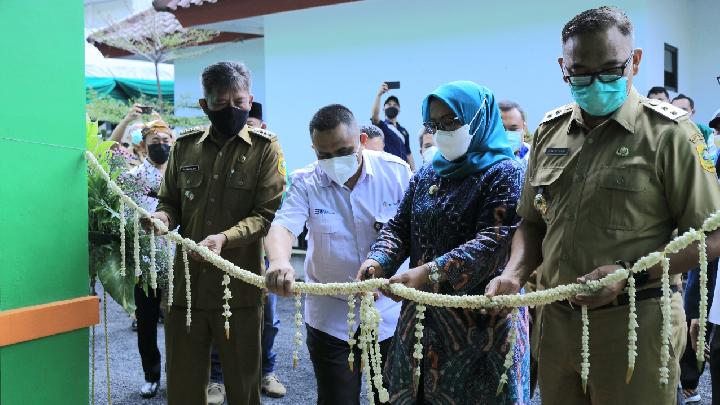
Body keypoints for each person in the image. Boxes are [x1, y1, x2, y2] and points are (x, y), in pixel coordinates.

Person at [485, 7, 720, 404]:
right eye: (580, 72)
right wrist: (514, 272)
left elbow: (711, 237)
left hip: (634, 325)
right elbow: (531, 222)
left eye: (611, 69)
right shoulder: (549, 131)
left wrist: (630, 275)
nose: (596, 82)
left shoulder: (671, 134)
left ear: (636, 61)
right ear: (563, 66)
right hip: (556, 324)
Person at [359, 81, 529, 404]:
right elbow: (399, 227)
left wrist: (428, 273)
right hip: (422, 325)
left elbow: (494, 242)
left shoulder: (505, 172)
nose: (442, 132)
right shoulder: (428, 173)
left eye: (451, 122)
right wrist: (378, 260)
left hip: (483, 329)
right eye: (434, 125)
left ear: (478, 119)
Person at [151, 61, 286, 405]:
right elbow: (170, 203)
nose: (231, 110)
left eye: (239, 103)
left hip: (238, 290)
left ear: (250, 99)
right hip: (187, 289)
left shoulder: (265, 148)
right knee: (182, 384)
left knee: (243, 387)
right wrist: (162, 219)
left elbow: (265, 214)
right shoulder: (185, 147)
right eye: (220, 103)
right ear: (204, 105)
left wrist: (224, 238)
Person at [264, 104, 410, 405]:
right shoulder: (306, 181)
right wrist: (279, 262)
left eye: (343, 151)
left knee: (395, 398)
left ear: (362, 141)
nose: (334, 161)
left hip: (390, 310)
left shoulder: (396, 173)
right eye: (324, 155)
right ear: (314, 150)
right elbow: (282, 226)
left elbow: (415, 232)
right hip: (331, 315)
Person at [207, 100, 287, 404]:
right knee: (219, 311)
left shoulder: (271, 156)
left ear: (261, 127)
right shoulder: (219, 157)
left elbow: (275, 212)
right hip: (220, 249)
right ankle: (216, 379)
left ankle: (267, 371)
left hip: (260, 252)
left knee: (267, 317)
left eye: (248, 127)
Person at [119, 119, 174, 398]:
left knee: (181, 318)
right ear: (144, 145)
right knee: (147, 320)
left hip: (179, 255)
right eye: (155, 143)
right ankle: (151, 375)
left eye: (166, 142)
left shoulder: (180, 174)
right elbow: (112, 172)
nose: (161, 147)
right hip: (146, 255)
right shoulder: (135, 175)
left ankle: (181, 373)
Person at [371, 83, 416, 171]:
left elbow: (408, 153)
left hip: (404, 171)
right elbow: (374, 117)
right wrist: (379, 95)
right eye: (389, 104)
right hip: (388, 169)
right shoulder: (382, 126)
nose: (392, 106)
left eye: (395, 105)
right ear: (383, 108)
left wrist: (414, 171)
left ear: (399, 109)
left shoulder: (404, 131)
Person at [672, 94, 717, 160]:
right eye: (674, 110)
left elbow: (713, 158)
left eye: (684, 109)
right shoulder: (663, 132)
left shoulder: (705, 132)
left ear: (692, 112)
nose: (679, 113)